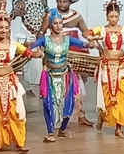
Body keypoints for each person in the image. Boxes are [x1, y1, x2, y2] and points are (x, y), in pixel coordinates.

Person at [28, 9, 92, 142]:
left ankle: (62, 129)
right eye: (55, 23)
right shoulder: (45, 40)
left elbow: (84, 44)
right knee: (48, 104)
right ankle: (50, 132)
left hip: (64, 76)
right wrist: (31, 51)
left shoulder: (68, 39)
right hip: (50, 76)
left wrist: (92, 42)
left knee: (68, 103)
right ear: (51, 25)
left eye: (60, 23)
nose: (58, 25)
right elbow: (30, 48)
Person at [0, 12, 33, 153]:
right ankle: (1, 143)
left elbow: (28, 53)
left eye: (6, 28)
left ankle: (20, 143)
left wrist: (36, 51)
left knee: (17, 112)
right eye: (1, 27)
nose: (3, 30)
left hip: (10, 84)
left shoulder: (14, 45)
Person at [88, 0, 124, 139]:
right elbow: (87, 33)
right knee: (107, 97)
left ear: (119, 16)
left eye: (116, 16)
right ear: (107, 16)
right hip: (106, 66)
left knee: (121, 97)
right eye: (111, 16)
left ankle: (119, 128)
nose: (114, 19)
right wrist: (93, 39)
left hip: (121, 65)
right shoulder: (102, 29)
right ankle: (102, 117)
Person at [39, 0, 94, 127]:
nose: (61, 4)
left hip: (75, 57)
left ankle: (80, 115)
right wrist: (41, 46)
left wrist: (92, 40)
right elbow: (41, 32)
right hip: (55, 57)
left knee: (79, 88)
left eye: (64, 1)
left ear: (70, 2)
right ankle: (57, 119)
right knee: (56, 91)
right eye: (59, 1)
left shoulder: (76, 16)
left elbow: (85, 32)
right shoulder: (50, 15)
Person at [11, 0, 47, 90]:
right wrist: (15, 13)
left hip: (40, 37)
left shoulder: (42, 1)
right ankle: (27, 87)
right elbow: (12, 15)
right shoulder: (21, 2)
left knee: (42, 62)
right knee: (27, 62)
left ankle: (42, 87)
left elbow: (48, 16)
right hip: (27, 36)